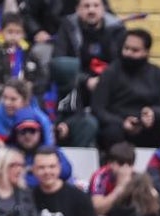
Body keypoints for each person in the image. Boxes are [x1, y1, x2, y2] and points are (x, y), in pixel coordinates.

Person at [51, 0, 126, 146]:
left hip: (109, 88)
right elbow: (60, 63)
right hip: (75, 89)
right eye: (86, 6)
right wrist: (85, 80)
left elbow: (122, 64)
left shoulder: (117, 29)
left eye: (96, 6)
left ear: (104, 9)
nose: (91, 10)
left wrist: (103, 81)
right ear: (77, 9)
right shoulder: (68, 27)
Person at [91, 28, 160, 149]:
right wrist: (121, 122)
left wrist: (153, 113)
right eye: (126, 48)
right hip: (118, 126)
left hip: (149, 128)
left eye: (135, 50)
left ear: (146, 52)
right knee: (111, 131)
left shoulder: (158, 74)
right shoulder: (110, 72)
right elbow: (98, 108)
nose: (128, 53)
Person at [0, 12, 50, 105]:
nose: (13, 36)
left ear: (23, 34)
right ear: (1, 32)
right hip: (1, 99)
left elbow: (42, 78)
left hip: (28, 99)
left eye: (18, 32)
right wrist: (2, 90)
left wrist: (31, 87)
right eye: (10, 32)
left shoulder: (30, 55)